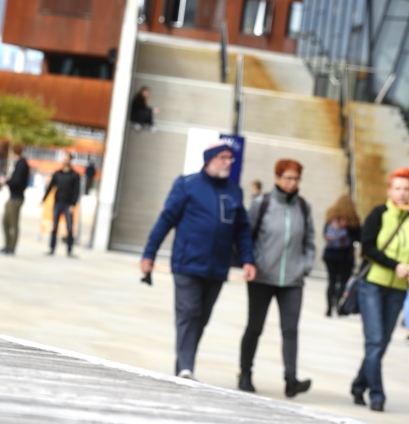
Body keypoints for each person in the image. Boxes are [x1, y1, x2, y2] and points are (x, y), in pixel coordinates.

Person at [140, 144, 256, 380]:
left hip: (217, 268)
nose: (227, 162)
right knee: (189, 312)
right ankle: (186, 368)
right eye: (222, 158)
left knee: (201, 318)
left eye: (230, 159)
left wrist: (247, 260)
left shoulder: (234, 192)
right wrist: (149, 254)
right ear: (209, 160)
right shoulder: (187, 185)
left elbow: (242, 230)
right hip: (187, 263)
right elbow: (166, 220)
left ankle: (185, 363)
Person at [238, 159, 314, 398]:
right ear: (277, 178)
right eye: (288, 178)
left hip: (292, 280)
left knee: (290, 330)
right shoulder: (263, 203)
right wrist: (251, 261)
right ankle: (245, 373)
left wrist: (305, 266)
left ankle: (291, 379)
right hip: (262, 276)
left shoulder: (303, 206)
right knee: (255, 327)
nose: (292, 183)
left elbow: (310, 240)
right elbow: (246, 236)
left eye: (296, 178)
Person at [350, 167, 409, 412]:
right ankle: (377, 394)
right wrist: (395, 265)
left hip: (398, 290)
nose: (403, 193)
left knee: (382, 343)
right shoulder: (379, 213)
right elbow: (367, 247)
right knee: (374, 341)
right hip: (372, 285)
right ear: (389, 189)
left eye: (407, 189)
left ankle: (358, 385)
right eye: (398, 188)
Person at [322, 194, 361, 317]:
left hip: (330, 254)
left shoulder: (331, 216)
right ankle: (338, 306)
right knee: (343, 282)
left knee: (331, 281)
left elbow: (325, 233)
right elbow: (359, 238)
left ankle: (328, 309)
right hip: (345, 256)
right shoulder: (353, 220)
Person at [42, 155, 81, 256]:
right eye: (64, 159)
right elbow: (50, 187)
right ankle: (52, 248)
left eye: (66, 159)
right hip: (58, 202)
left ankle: (69, 250)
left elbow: (76, 191)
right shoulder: (57, 174)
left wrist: (73, 204)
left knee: (69, 227)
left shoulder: (74, 175)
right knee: (54, 227)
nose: (65, 160)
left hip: (68, 204)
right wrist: (44, 199)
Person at [0, 146, 29, 255]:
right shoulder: (19, 163)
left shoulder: (22, 164)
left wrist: (6, 181)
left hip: (17, 197)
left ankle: (11, 247)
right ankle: (7, 245)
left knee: (13, 223)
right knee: (6, 222)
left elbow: (17, 181)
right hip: (13, 196)